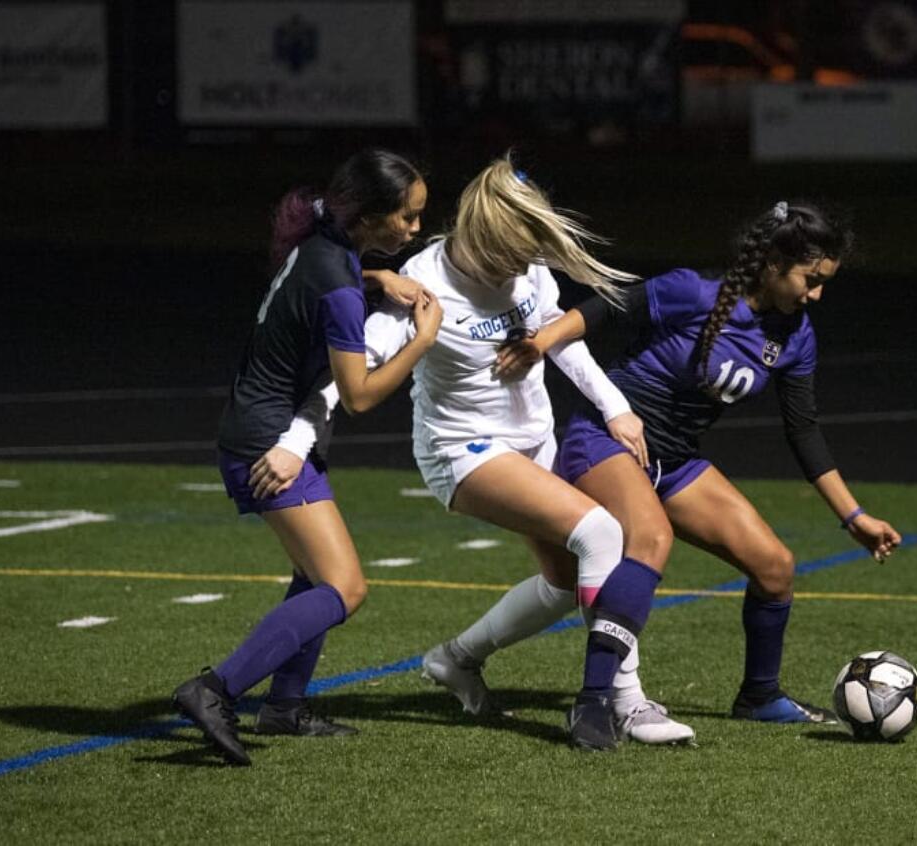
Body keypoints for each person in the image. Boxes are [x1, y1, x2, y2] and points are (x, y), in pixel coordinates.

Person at [277, 157, 691, 751]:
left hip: (533, 439)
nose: (526, 268)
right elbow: (350, 369)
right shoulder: (424, 283)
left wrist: (614, 406)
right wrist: (295, 443)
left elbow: (558, 338)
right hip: (460, 449)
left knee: (565, 580)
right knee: (601, 534)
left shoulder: (527, 270)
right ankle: (621, 701)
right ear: (484, 242)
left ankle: (457, 658)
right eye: (515, 257)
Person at [443, 198, 902, 729]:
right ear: (775, 263)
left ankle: (759, 695)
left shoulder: (795, 335)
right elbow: (605, 307)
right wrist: (541, 343)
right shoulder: (693, 292)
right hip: (606, 441)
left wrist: (855, 517)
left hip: (675, 463)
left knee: (775, 568)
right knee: (650, 540)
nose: (816, 294)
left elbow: (803, 431)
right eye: (811, 278)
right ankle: (594, 703)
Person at [172, 149, 441, 766]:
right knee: (345, 587)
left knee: (313, 574)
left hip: (252, 427)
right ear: (370, 216)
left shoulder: (321, 242)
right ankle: (215, 690)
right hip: (268, 443)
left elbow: (323, 286)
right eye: (407, 216)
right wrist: (421, 340)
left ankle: (285, 705)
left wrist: (375, 278)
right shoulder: (340, 286)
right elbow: (360, 394)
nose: (415, 230)